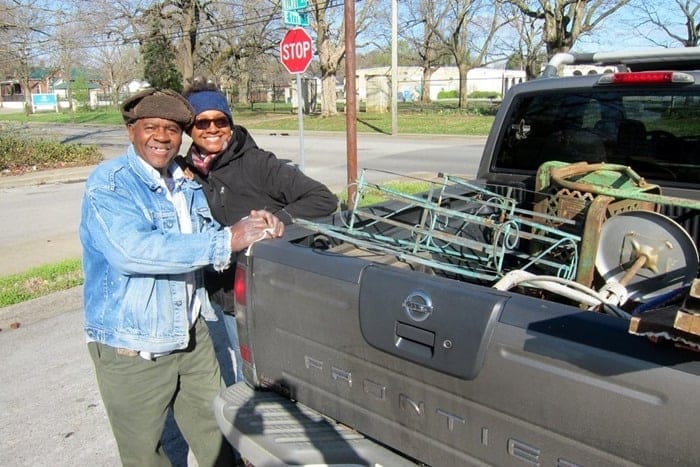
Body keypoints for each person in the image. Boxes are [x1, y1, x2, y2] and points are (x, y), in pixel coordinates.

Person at [79, 88, 284, 467]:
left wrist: (255, 225)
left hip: (192, 336)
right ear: (131, 131)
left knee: (219, 439)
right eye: (151, 127)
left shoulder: (184, 182)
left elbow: (210, 237)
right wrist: (227, 240)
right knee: (147, 454)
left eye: (172, 129)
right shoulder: (110, 184)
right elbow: (133, 251)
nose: (162, 136)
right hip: (133, 346)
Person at [178, 78, 338, 382]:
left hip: (270, 290)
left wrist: (278, 218)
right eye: (202, 123)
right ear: (190, 129)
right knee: (247, 373)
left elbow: (323, 199)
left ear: (229, 122)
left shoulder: (256, 163)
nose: (212, 128)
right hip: (227, 297)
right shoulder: (186, 171)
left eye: (220, 120)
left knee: (285, 371)